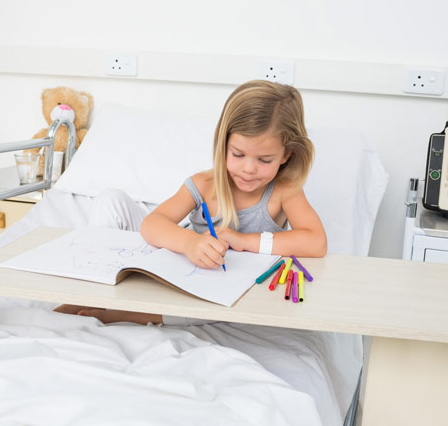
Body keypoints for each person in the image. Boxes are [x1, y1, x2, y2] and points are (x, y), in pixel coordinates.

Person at [54, 80, 327, 324]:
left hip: (213, 289)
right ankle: (92, 291)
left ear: (286, 155)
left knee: (209, 313)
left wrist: (247, 242)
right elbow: (152, 224)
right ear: (223, 145)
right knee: (110, 199)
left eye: (264, 160)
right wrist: (189, 243)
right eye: (238, 154)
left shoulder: (284, 190)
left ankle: (127, 313)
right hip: (181, 264)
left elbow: (316, 242)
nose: (248, 169)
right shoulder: (203, 185)